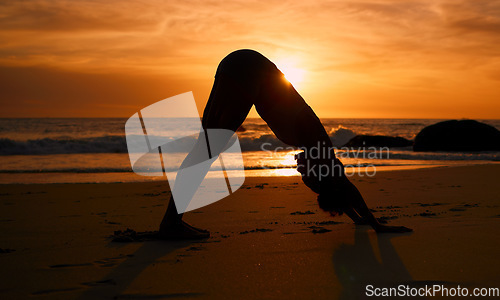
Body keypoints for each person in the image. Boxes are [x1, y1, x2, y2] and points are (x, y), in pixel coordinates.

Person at [159, 49, 412, 239]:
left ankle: (172, 221)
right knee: (206, 149)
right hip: (248, 69)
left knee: (205, 147)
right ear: (323, 172)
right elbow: (343, 185)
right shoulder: (318, 142)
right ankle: (171, 224)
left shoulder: (314, 149)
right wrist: (376, 224)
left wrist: (357, 219)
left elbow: (336, 186)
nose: (302, 177)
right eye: (310, 180)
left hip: (238, 63)